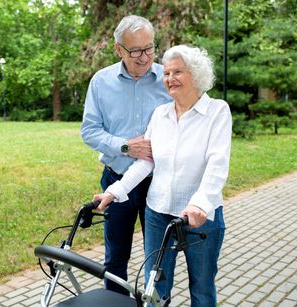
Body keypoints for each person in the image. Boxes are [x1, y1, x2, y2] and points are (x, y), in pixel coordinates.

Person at [94, 45, 232, 306]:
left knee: (202, 287)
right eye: (167, 73)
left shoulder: (217, 111)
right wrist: (115, 191)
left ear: (196, 74)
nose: (169, 78)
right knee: (154, 287)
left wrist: (200, 203)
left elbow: (217, 164)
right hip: (157, 212)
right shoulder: (161, 114)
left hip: (201, 217)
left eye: (177, 71)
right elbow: (146, 162)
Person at [81, 15, 172, 295]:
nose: (144, 57)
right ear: (118, 49)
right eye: (135, 51)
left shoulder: (168, 80)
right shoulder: (101, 82)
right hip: (115, 180)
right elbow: (89, 131)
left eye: (149, 48)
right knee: (115, 259)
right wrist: (125, 146)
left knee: (158, 261)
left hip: (157, 184)